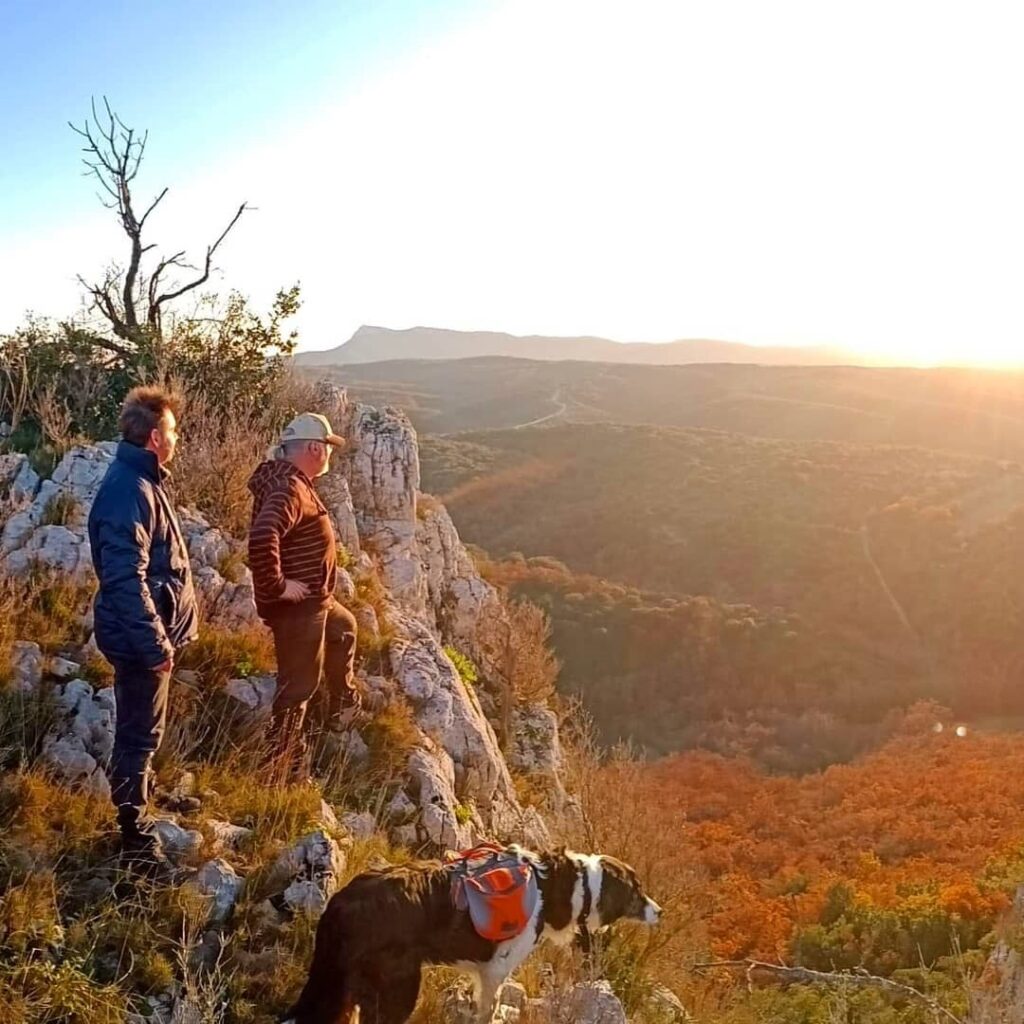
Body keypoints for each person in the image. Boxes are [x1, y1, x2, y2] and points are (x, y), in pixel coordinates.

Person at [88, 386, 198, 870]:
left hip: (144, 633)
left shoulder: (143, 480)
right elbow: (122, 578)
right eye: (173, 431)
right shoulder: (128, 490)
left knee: (142, 729)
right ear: (156, 437)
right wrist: (156, 643)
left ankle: (138, 806)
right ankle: (135, 838)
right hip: (140, 640)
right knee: (139, 735)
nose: (177, 439)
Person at [247, 412, 360, 780]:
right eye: (327, 446)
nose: (329, 453)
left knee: (344, 627)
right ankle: (279, 769)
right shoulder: (290, 488)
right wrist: (279, 587)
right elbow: (264, 536)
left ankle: (340, 703)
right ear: (314, 447)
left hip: (317, 603)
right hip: (299, 610)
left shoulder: (293, 481)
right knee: (298, 688)